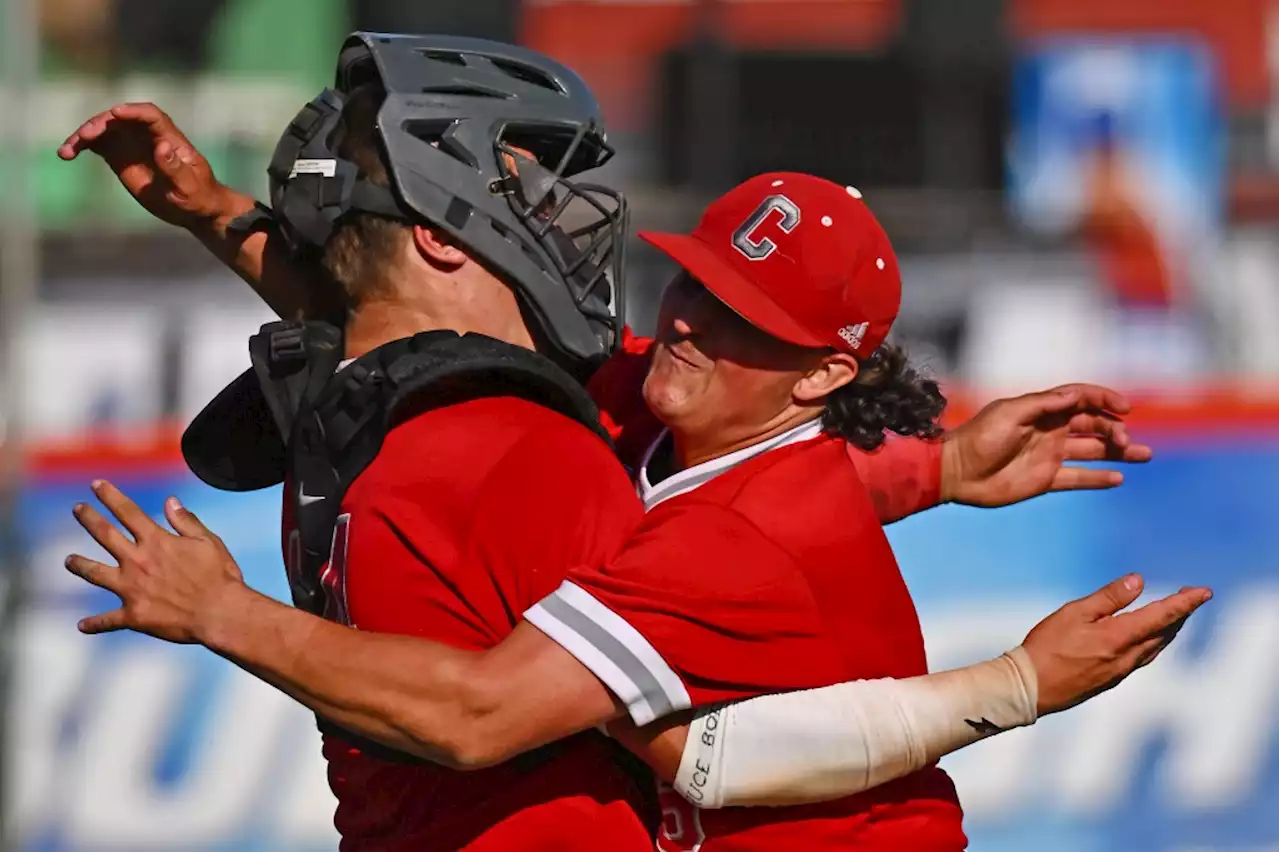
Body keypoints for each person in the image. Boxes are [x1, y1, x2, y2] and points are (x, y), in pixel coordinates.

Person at [60, 70, 1208, 850]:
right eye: (699, 280)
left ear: (816, 379)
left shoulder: (739, 536)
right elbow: (401, 323)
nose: (698, 320)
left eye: (746, 317)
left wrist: (223, 613)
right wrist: (213, 211)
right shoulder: (664, 406)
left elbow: (485, 719)